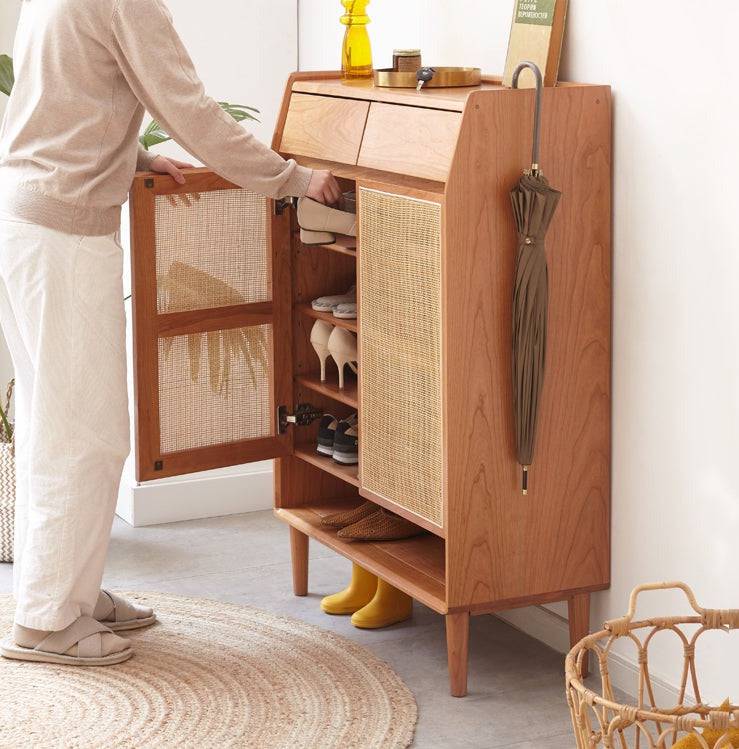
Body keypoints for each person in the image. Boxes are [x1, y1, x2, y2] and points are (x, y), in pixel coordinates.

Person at [0, 0, 340, 666]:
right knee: (87, 432)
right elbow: (193, 110)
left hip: (31, 219)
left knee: (57, 422)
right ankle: (45, 621)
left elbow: (66, 98)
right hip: (63, 237)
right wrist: (296, 178)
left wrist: (132, 157)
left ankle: (69, 592)